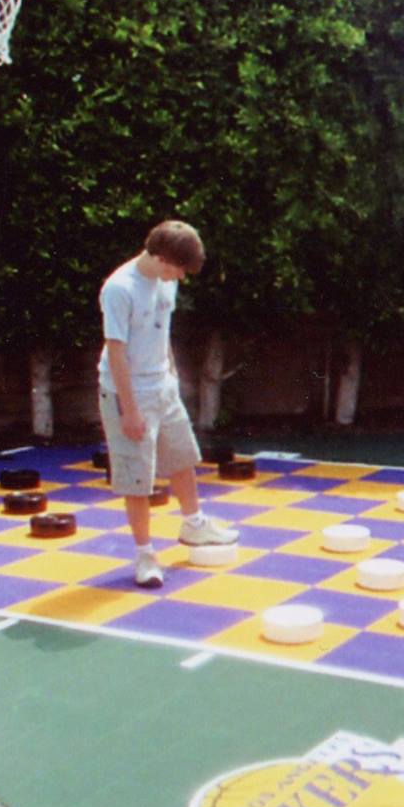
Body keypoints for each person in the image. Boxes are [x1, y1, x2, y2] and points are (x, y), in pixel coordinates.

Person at [97, 219, 238, 588]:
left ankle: (194, 525)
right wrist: (129, 409)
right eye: (179, 270)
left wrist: (172, 378)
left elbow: (162, 333)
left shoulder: (165, 282)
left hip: (163, 386)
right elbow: (116, 352)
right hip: (127, 391)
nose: (181, 278)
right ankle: (145, 554)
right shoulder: (119, 289)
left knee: (182, 457)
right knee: (137, 480)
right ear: (161, 259)